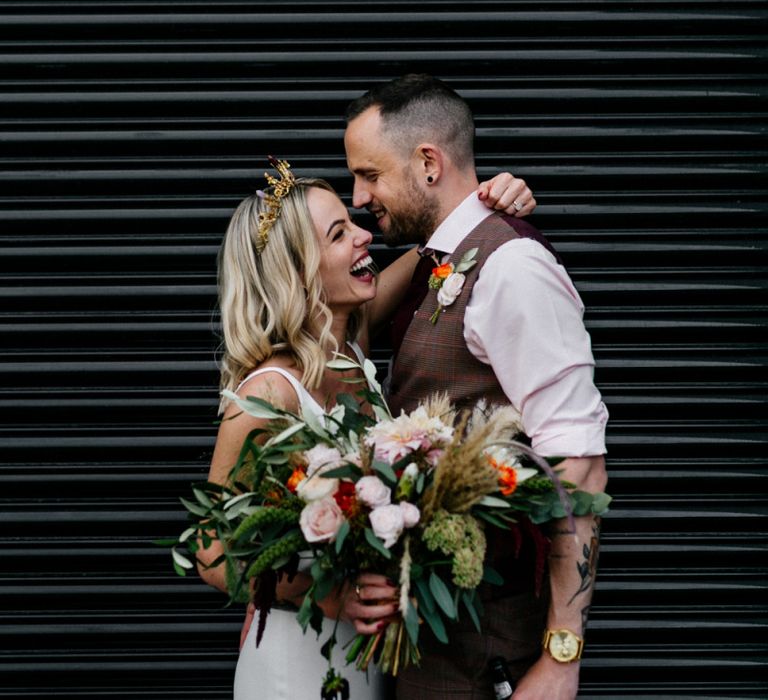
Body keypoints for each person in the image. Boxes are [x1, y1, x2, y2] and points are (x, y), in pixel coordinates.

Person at [195, 157, 535, 699]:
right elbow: (211, 553)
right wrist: (330, 596)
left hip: (370, 658)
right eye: (339, 234)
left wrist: (488, 200)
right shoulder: (268, 393)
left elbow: (433, 252)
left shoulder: (353, 349)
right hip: (300, 662)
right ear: (299, 271)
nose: (364, 234)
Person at [342, 75, 609, 700]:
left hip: (490, 648)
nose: (358, 197)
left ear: (428, 163)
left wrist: (562, 656)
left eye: (369, 175)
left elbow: (581, 465)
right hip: (436, 645)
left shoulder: (512, 268)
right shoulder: (442, 259)